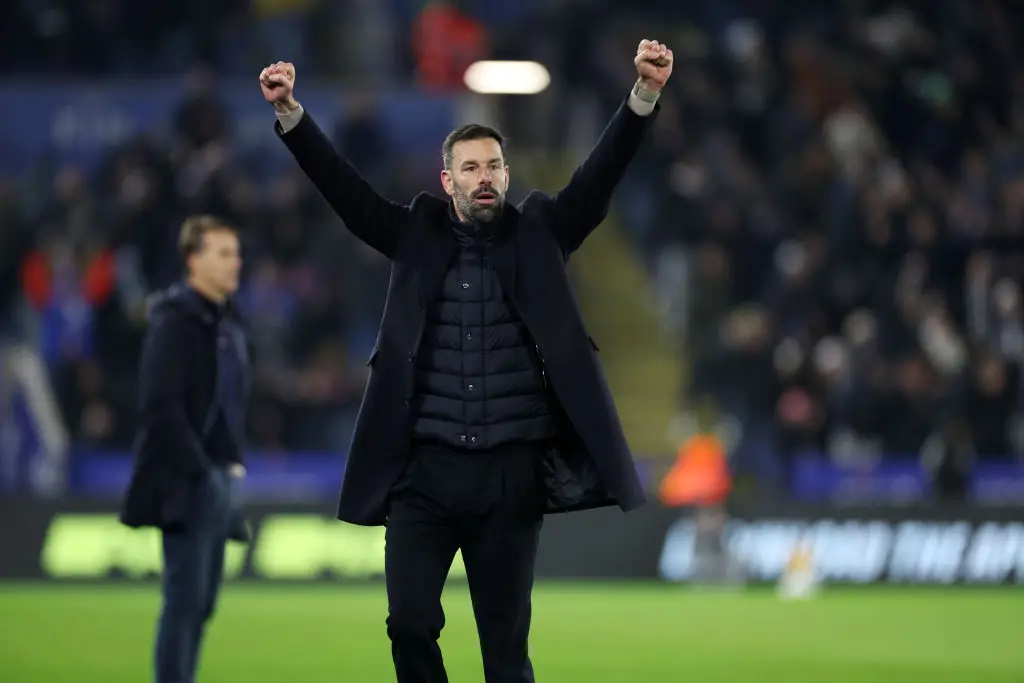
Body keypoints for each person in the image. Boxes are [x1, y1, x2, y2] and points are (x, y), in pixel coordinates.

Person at [259, 38, 674, 683]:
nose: (486, 178)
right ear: (447, 179)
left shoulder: (541, 231)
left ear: (507, 176)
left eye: (495, 166)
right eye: (472, 168)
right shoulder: (412, 233)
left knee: (505, 654)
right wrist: (292, 116)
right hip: (423, 477)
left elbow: (598, 180)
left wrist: (642, 97)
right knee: (409, 624)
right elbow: (346, 193)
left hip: (511, 476)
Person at [120, 215, 251, 683]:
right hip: (188, 479)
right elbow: (160, 406)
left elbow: (230, 406)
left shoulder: (225, 325)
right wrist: (201, 472)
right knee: (184, 599)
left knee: (201, 604)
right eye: (222, 253)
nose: (235, 262)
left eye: (236, 252)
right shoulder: (177, 322)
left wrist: (230, 469)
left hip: (219, 475)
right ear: (193, 260)